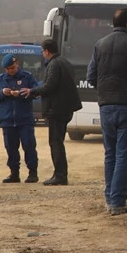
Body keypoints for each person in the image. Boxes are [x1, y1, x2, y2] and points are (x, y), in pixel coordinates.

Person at [88, 7, 127, 214]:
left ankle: (110, 198)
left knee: (110, 154)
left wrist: (104, 90)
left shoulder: (100, 44)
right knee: (123, 155)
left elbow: (91, 75)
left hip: (105, 105)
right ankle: (118, 201)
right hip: (126, 105)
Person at [34, 39, 81, 186]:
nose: (43, 54)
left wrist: (32, 91)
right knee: (58, 141)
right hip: (64, 108)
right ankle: (60, 174)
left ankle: (60, 175)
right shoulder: (64, 62)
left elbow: (50, 86)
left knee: (55, 142)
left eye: (43, 51)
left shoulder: (54, 64)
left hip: (57, 109)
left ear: (47, 51)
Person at [0, 54, 40, 184]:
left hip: (24, 120)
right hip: (7, 120)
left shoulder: (27, 77)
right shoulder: (0, 80)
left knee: (29, 146)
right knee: (11, 148)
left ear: (17, 64)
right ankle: (14, 173)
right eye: (7, 69)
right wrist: (2, 93)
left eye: (12, 67)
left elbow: (36, 92)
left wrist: (23, 93)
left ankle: (32, 173)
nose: (10, 71)